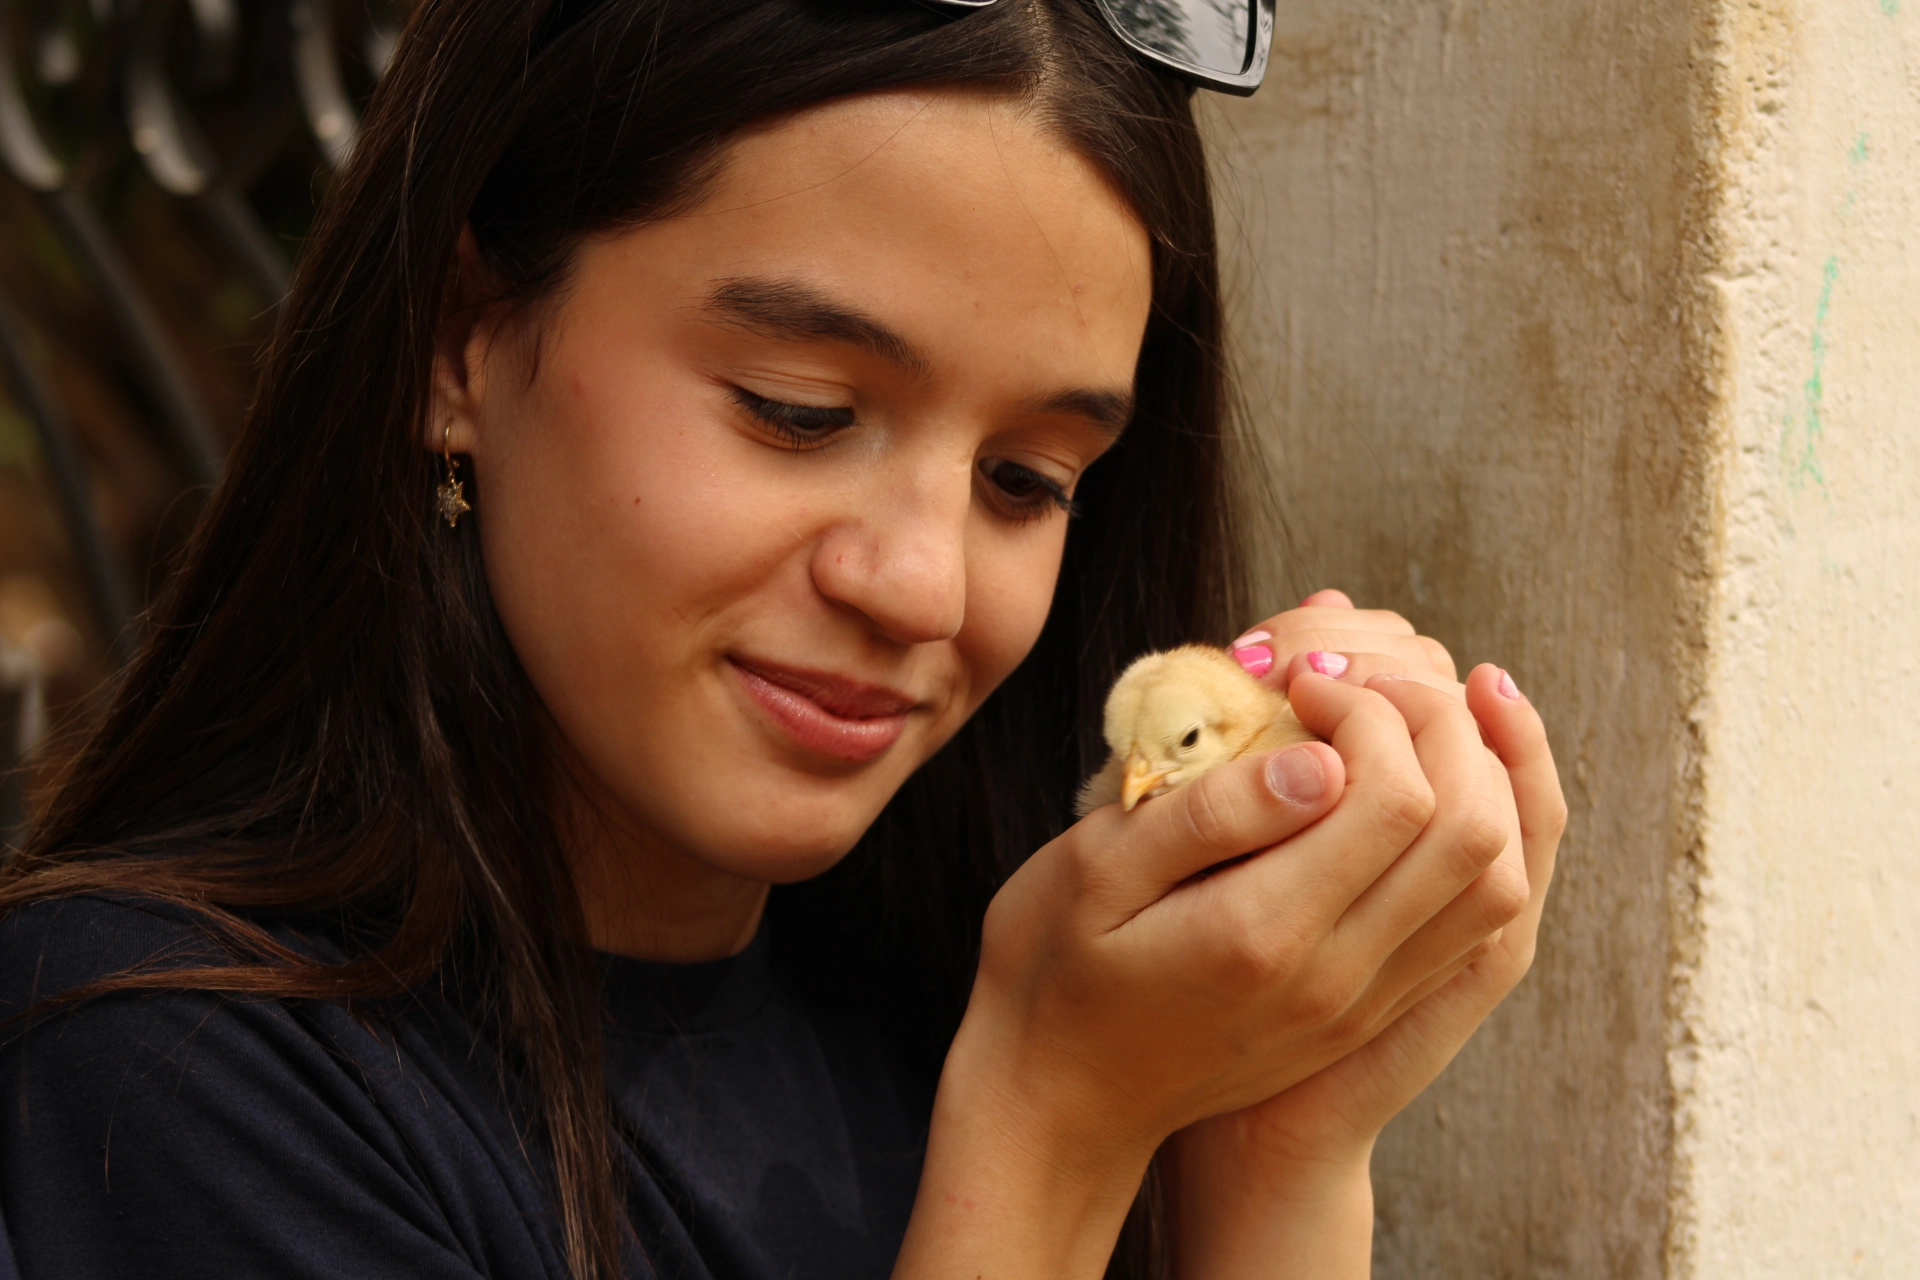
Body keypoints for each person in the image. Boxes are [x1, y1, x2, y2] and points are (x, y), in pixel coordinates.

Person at [0, 2, 1565, 1278]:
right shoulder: (166, 1068)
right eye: (800, 413)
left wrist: (1273, 1142)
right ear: (461, 336)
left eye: (1027, 481)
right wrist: (1045, 1131)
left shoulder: (976, 995)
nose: (923, 588)